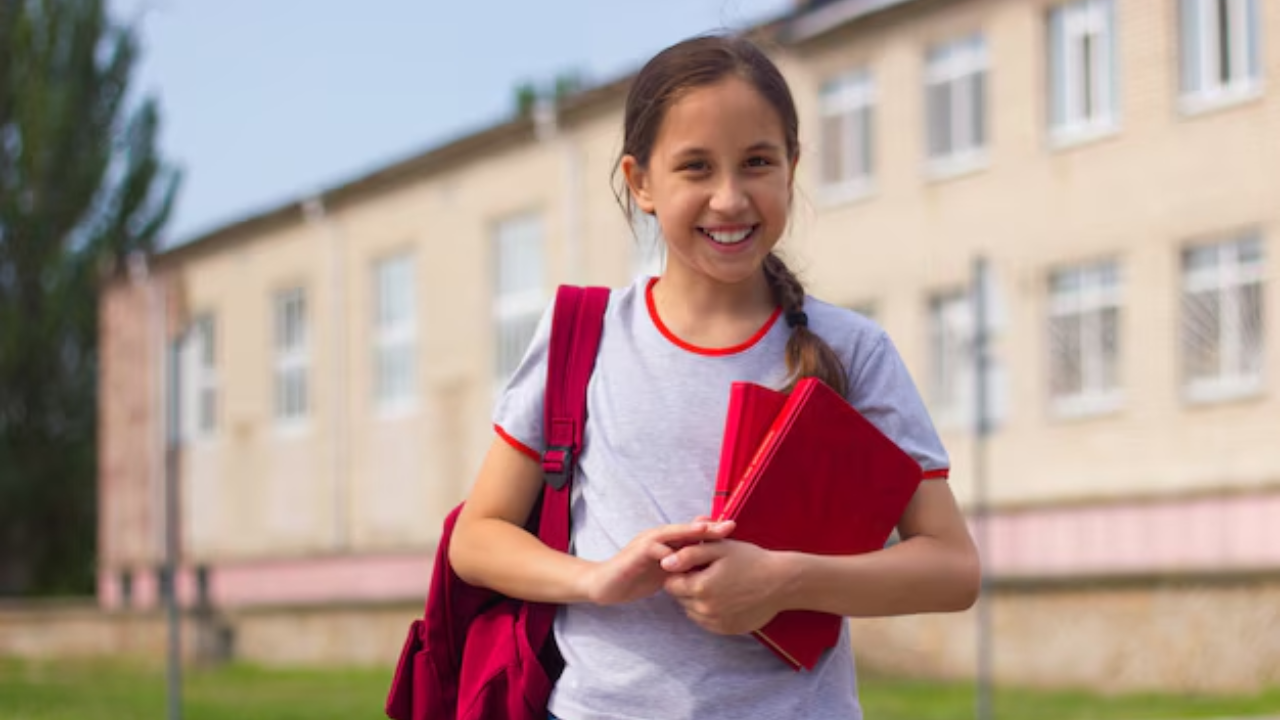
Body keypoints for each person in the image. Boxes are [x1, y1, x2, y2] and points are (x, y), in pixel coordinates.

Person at [449, 33, 980, 720]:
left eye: (757, 162)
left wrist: (785, 580)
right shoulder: (581, 337)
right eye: (695, 167)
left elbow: (952, 568)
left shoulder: (856, 349)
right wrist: (598, 579)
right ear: (640, 182)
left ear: (793, 166)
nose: (729, 198)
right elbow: (477, 537)